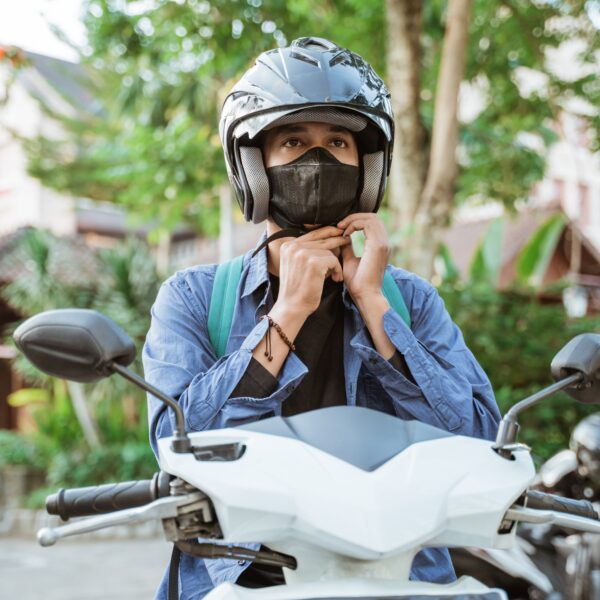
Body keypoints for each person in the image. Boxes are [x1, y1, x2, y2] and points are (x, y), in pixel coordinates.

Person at [142, 36, 501, 600]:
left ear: (367, 167)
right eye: (293, 140)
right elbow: (174, 446)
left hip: (396, 579)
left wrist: (377, 308)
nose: (320, 160)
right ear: (255, 166)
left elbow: (482, 442)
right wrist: (287, 314)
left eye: (338, 140)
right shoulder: (193, 298)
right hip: (240, 582)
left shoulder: (412, 300)